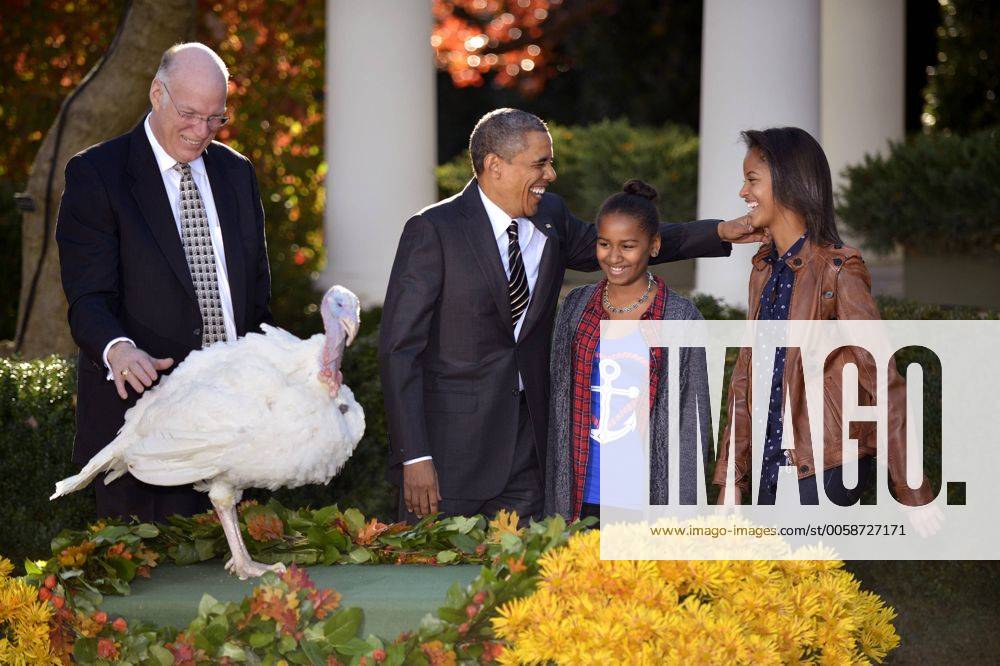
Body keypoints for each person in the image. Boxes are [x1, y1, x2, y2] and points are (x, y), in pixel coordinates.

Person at [379, 108, 760, 522]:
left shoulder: (551, 217)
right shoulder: (433, 229)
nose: (551, 174)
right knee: (436, 579)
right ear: (495, 166)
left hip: (532, 456)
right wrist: (414, 455)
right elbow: (400, 352)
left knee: (523, 581)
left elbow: (626, 245)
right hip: (448, 458)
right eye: (540, 163)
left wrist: (718, 232)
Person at [56, 42, 274, 522]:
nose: (201, 132)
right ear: (157, 93)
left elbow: (256, 302)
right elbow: (88, 297)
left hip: (234, 434)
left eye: (216, 118)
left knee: (238, 590)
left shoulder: (237, 174)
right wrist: (117, 348)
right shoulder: (97, 174)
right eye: (191, 114)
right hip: (145, 436)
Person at [712, 126, 932, 507]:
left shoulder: (838, 269)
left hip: (824, 464)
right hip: (771, 460)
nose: (743, 193)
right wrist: (732, 477)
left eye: (752, 180)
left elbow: (882, 376)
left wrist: (912, 487)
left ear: (788, 183)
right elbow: (746, 377)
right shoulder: (765, 269)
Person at [544, 180, 711, 523]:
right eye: (604, 244)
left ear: (654, 246)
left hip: (645, 500)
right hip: (578, 497)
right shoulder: (576, 307)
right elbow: (558, 406)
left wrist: (682, 515)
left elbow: (693, 426)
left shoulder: (680, 317)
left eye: (628, 246)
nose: (614, 257)